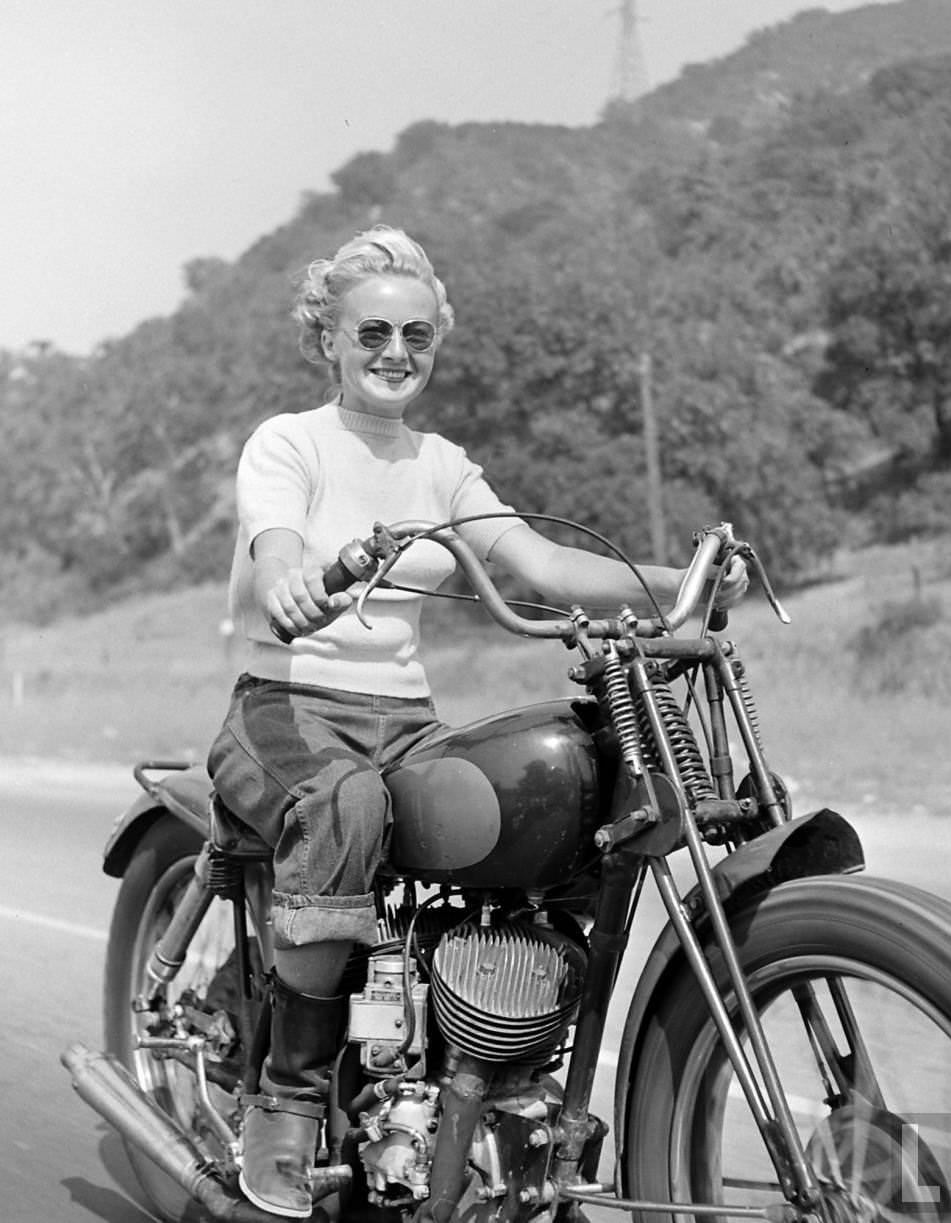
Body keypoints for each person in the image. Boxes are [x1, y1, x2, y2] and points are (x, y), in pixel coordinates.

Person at [207, 224, 746, 1217]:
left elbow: (538, 563)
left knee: (554, 798)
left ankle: (494, 1055)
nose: (395, 352)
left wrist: (685, 586)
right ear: (328, 336)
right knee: (345, 803)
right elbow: (278, 543)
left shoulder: (441, 465)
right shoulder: (289, 444)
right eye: (371, 332)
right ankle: (283, 1097)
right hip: (285, 708)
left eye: (416, 333)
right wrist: (290, 584)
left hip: (403, 717)